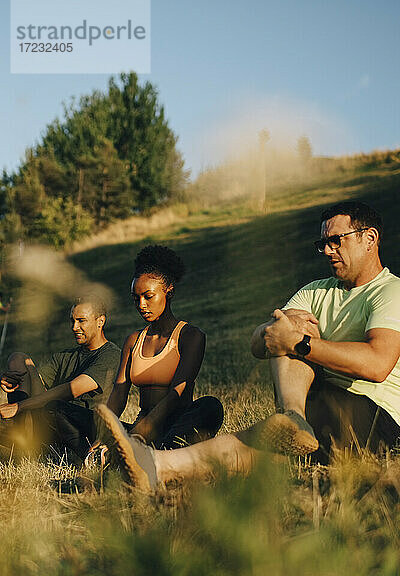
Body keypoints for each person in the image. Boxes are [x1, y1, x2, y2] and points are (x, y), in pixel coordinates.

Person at [93, 201, 400, 492]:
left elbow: (376, 365)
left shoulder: (391, 291)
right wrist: (280, 336)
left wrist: (300, 343)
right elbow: (261, 341)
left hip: (373, 418)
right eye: (323, 244)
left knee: (259, 430)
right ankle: (157, 466)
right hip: (316, 408)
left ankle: (292, 423)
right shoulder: (316, 291)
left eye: (337, 241)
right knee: (263, 440)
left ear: (369, 238)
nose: (328, 251)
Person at [102, 245, 223, 450]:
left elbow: (176, 394)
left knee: (210, 406)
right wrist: (103, 432)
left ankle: (155, 452)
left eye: (148, 296)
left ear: (169, 292)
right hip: (141, 425)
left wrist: (138, 434)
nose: (141, 304)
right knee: (70, 414)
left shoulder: (190, 336)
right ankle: (137, 450)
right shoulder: (133, 341)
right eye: (135, 298)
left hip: (177, 424)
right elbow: (119, 393)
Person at [0, 296, 120, 460]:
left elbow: (70, 390)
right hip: (51, 423)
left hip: (83, 428)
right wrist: (12, 380)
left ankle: (25, 446)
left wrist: (18, 406)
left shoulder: (111, 355)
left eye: (81, 321)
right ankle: (25, 442)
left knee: (55, 407)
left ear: (100, 321)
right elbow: (34, 382)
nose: (74, 327)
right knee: (18, 359)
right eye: (72, 321)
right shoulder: (66, 356)